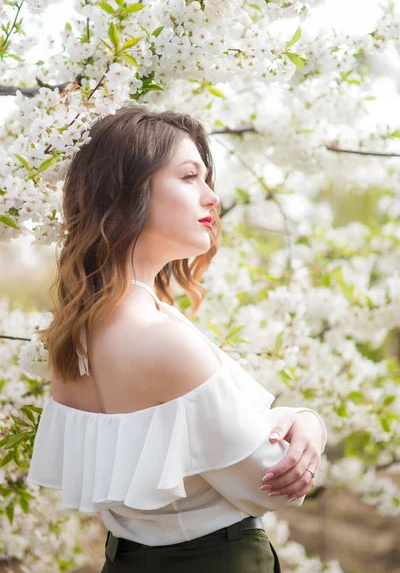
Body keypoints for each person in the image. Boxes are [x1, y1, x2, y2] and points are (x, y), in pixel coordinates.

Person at [27, 105, 327, 572]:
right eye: (189, 177)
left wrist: (298, 418)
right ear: (124, 192)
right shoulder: (156, 338)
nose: (212, 199)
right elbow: (271, 481)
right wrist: (308, 423)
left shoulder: (77, 336)